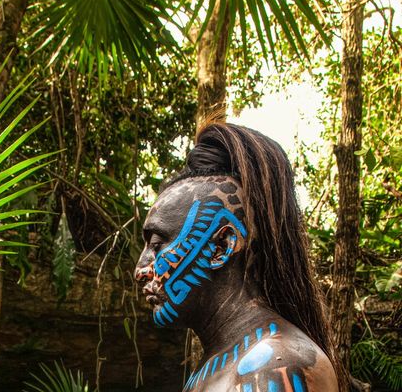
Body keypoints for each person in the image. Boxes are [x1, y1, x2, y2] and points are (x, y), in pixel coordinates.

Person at [134, 122, 345, 392]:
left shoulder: (274, 364)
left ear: (222, 246)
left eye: (157, 244)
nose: (140, 270)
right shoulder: (217, 365)